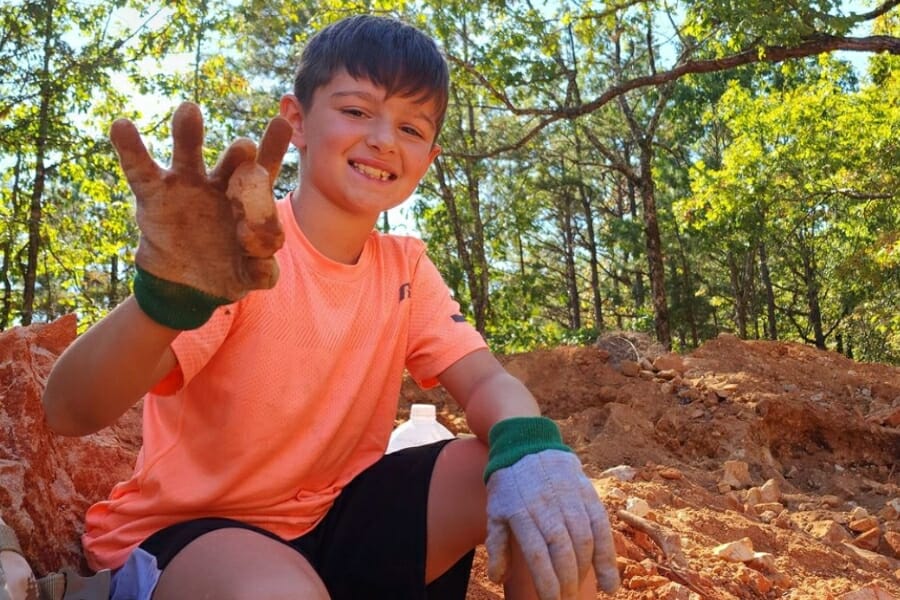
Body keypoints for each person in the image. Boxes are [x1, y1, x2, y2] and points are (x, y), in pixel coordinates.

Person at [42, 14, 619, 600]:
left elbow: (486, 380)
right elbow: (69, 409)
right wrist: (163, 302)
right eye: (355, 111)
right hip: (197, 536)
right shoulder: (236, 255)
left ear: (430, 156)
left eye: (411, 128)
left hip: (333, 522)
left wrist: (534, 446)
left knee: (547, 499)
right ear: (297, 121)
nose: (382, 139)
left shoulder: (406, 268)